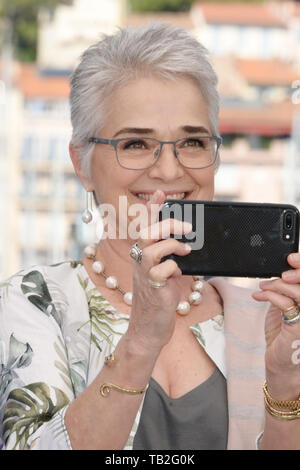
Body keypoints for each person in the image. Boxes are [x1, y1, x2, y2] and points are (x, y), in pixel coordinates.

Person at [1, 23, 300, 451]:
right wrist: (141, 337)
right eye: (137, 144)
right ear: (82, 163)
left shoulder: (265, 319)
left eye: (193, 142)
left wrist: (287, 386)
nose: (169, 171)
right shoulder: (33, 303)